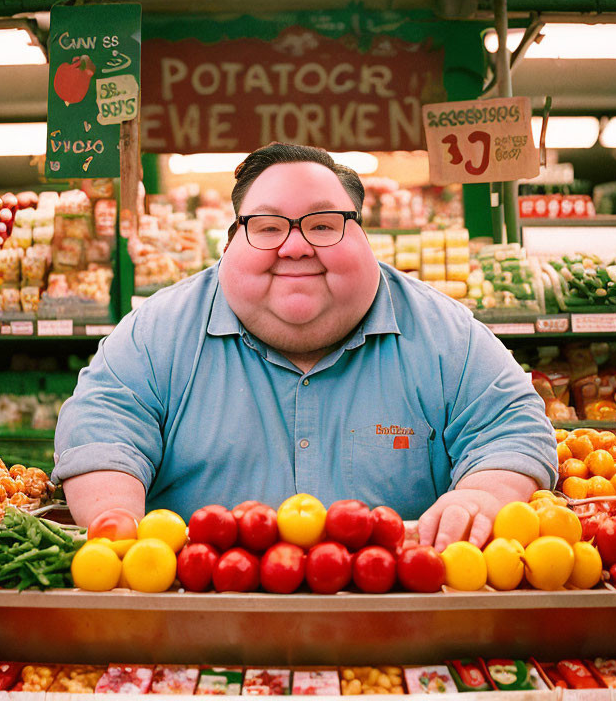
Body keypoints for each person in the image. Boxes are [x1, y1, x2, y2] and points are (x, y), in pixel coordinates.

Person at [53, 143, 557, 551]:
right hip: (197, 606)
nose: (295, 247)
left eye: (322, 225)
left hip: (399, 607)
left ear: (363, 235)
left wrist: (481, 496)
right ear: (230, 242)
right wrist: (116, 521)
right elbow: (101, 428)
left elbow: (512, 426)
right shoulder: (155, 332)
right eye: (267, 227)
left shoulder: (447, 333)